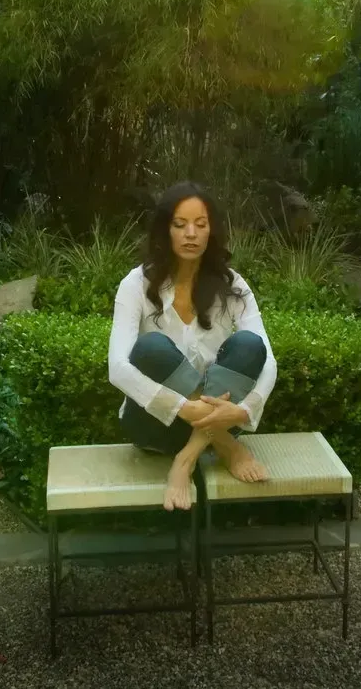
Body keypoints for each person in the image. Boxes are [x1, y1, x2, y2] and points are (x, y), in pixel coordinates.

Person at [108, 181, 276, 510]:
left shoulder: (233, 286)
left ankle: (186, 459)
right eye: (180, 224)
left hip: (221, 418)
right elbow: (117, 368)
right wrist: (184, 407)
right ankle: (227, 447)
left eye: (200, 224)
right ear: (165, 230)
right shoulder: (135, 285)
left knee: (249, 344)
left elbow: (268, 360)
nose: (191, 234)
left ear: (212, 231)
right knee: (151, 348)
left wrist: (244, 410)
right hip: (155, 426)